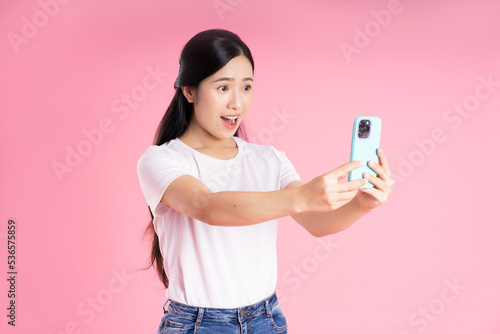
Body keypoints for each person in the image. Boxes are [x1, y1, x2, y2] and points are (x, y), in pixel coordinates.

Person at [137, 28, 394, 333]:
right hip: (197, 324)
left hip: (265, 319)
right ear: (189, 91)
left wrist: (361, 205)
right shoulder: (161, 160)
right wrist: (301, 198)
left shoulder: (268, 159)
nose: (237, 103)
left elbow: (315, 222)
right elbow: (205, 205)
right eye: (223, 88)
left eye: (247, 87)